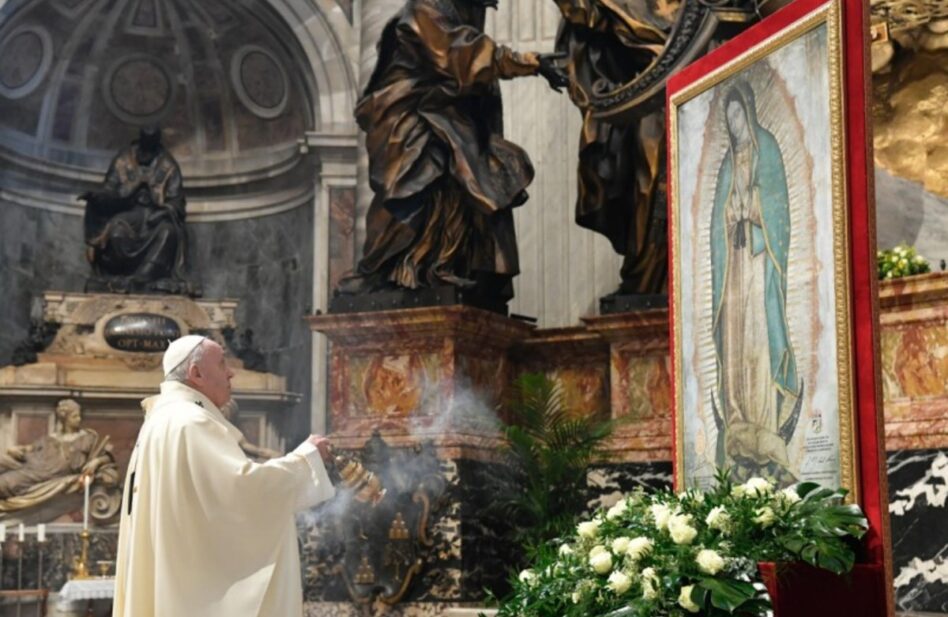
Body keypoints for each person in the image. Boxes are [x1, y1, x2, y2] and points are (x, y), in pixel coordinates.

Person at [336, 0, 568, 301]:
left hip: (446, 119)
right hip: (410, 120)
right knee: (418, 190)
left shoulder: (458, 14)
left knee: (475, 181)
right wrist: (531, 62)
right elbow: (461, 54)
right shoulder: (421, 11)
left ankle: (441, 265)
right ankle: (387, 269)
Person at [113, 335, 335, 617]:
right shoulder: (190, 423)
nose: (230, 372)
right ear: (196, 374)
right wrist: (306, 459)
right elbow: (243, 491)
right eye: (221, 364)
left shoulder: (161, 421)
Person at [709, 81, 802, 483]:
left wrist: (756, 207)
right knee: (735, 343)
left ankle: (764, 427)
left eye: (736, 114)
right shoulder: (729, 164)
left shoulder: (768, 149)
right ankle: (738, 425)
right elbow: (717, 223)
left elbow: (779, 208)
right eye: (727, 118)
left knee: (759, 340)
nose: (733, 124)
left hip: (759, 262)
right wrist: (731, 213)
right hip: (734, 268)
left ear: (748, 110)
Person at [81, 126, 193, 294]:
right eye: (144, 145)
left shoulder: (168, 166)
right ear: (140, 141)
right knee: (116, 231)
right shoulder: (123, 160)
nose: (146, 152)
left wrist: (163, 212)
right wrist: (97, 197)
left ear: (157, 144)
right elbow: (110, 189)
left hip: (157, 217)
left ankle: (142, 279)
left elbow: (177, 201)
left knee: (169, 232)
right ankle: (116, 276)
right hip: (128, 211)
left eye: (151, 146)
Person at [0, 399, 115, 512]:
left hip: (48, 474)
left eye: (79, 416)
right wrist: (15, 449)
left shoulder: (87, 438)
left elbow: (107, 457)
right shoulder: (51, 438)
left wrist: (96, 462)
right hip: (35, 467)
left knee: (3, 483)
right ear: (64, 419)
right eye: (74, 416)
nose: (79, 419)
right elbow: (30, 448)